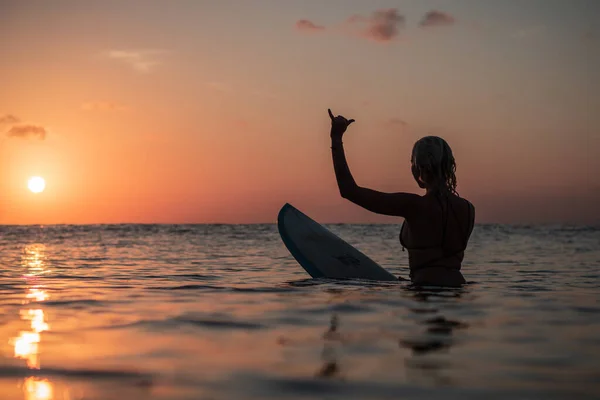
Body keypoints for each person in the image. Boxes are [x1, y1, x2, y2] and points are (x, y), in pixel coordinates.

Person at [328, 109, 475, 287]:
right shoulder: (468, 209)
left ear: (419, 168)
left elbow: (349, 190)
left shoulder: (413, 206)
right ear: (449, 165)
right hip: (458, 291)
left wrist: (336, 138)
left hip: (425, 291)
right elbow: (441, 264)